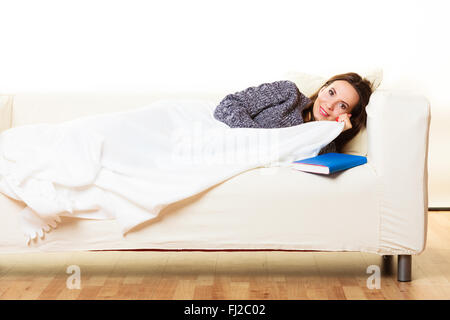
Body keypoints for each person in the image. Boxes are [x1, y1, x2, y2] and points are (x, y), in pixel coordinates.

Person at [213, 72, 373, 155]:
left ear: (347, 115)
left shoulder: (326, 145)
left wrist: (333, 131)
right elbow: (228, 105)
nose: (330, 105)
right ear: (323, 89)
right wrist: (259, 141)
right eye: (331, 92)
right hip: (223, 141)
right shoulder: (288, 93)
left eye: (342, 105)